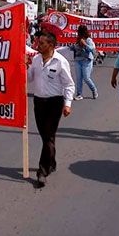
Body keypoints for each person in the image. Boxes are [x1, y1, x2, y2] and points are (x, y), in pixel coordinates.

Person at [27, 31, 75, 187]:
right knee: (46, 136)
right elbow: (29, 78)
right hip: (39, 102)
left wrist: (67, 104)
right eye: (38, 43)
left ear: (51, 45)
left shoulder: (60, 62)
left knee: (48, 136)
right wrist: (24, 66)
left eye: (42, 43)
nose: (38, 46)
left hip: (55, 103)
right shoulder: (35, 59)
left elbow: (69, 84)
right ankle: (51, 161)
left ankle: (42, 171)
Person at [71, 25, 98, 100]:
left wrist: (85, 44)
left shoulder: (88, 39)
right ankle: (79, 94)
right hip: (78, 60)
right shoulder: (78, 39)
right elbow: (74, 48)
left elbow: (92, 48)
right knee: (79, 78)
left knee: (86, 77)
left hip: (86, 60)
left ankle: (94, 90)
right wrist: (72, 47)